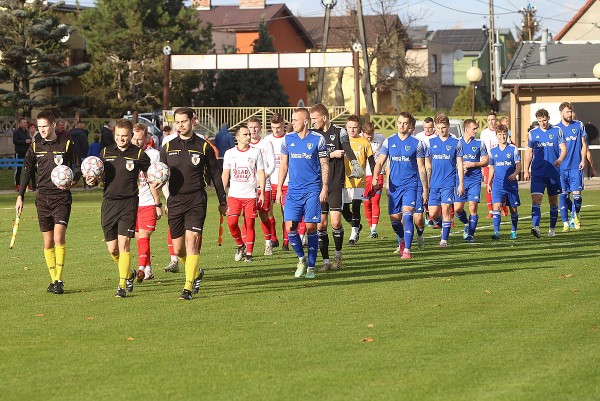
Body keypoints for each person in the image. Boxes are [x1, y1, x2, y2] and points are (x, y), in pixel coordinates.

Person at [160, 107, 227, 300]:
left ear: (192, 122)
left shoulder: (203, 146)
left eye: (184, 121)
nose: (180, 125)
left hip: (196, 199)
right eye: (177, 122)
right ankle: (196, 272)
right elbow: (161, 174)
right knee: (179, 249)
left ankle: (188, 288)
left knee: (192, 241)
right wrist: (163, 197)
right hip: (175, 201)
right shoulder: (167, 147)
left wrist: (223, 201)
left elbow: (215, 175)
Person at [15, 111, 81, 294]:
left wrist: (73, 180)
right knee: (48, 242)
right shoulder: (36, 146)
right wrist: (20, 196)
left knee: (59, 238)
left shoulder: (66, 143)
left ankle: (59, 280)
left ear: (53, 125)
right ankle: (53, 280)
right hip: (42, 198)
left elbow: (77, 167)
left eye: (45, 126)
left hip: (61, 197)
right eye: (39, 127)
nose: (42, 130)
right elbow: (27, 170)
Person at [87, 119, 151, 298]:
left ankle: (122, 285)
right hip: (109, 203)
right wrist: (92, 180)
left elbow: (152, 174)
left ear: (131, 135)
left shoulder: (139, 154)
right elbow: (98, 176)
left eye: (124, 136)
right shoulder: (105, 152)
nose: (121, 139)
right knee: (113, 249)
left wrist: (157, 183)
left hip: (128, 203)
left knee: (124, 245)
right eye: (118, 136)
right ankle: (128, 273)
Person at [276, 108, 328, 279]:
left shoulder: (318, 139)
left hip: (313, 190)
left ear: (305, 121)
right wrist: (279, 189)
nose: (292, 123)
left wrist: (325, 187)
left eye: (295, 120)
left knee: (311, 227)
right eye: (291, 120)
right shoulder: (287, 139)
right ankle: (301, 259)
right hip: (293, 190)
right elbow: (283, 165)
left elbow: (324, 164)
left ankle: (311, 267)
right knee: (290, 227)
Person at [310, 103, 362, 271]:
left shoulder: (340, 132)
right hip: (318, 184)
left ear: (324, 117)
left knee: (336, 221)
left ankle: (338, 255)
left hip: (335, 183)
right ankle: (326, 261)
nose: (312, 122)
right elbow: (311, 156)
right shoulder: (312, 134)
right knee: (321, 224)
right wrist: (331, 154)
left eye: (314, 118)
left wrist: (355, 164)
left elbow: (347, 149)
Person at [372, 112, 428, 259]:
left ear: (409, 125)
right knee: (395, 218)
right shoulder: (389, 141)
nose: (402, 125)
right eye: (400, 122)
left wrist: (425, 189)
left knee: (408, 215)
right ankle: (402, 239)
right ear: (397, 123)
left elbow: (421, 168)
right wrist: (375, 176)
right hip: (394, 186)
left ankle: (407, 250)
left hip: (411, 185)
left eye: (405, 123)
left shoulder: (417, 143)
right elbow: (380, 162)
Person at [222, 126, 266, 262]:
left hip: (250, 195)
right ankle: (240, 245)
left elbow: (261, 173)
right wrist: (221, 194)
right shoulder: (229, 153)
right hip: (234, 195)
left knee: (250, 224)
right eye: (245, 134)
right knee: (232, 223)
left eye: (249, 134)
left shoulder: (256, 152)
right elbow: (225, 174)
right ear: (237, 137)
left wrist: (262, 192)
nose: (248, 137)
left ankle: (249, 254)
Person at [523, 108, 567, 238]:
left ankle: (552, 229)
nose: (543, 123)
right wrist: (526, 170)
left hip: (553, 172)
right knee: (536, 200)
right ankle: (536, 227)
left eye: (545, 120)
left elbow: (564, 149)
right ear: (537, 120)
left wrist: (560, 159)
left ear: (548, 118)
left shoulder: (557, 131)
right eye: (540, 120)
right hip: (538, 172)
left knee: (553, 201)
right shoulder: (532, 133)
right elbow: (529, 152)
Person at [131, 123, 164, 282]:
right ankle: (148, 269)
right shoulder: (128, 154)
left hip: (149, 202)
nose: (137, 142)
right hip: (132, 204)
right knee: (139, 238)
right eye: (134, 139)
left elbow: (160, 179)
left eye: (140, 139)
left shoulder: (154, 155)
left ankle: (141, 269)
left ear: (146, 138)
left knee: (144, 235)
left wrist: (159, 203)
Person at [426, 114, 464, 247]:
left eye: (443, 127)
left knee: (446, 208)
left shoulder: (456, 143)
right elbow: (427, 164)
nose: (441, 130)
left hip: (449, 182)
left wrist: (461, 183)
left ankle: (444, 240)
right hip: (434, 183)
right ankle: (444, 225)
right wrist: (427, 182)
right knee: (433, 213)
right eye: (438, 128)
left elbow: (460, 164)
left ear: (448, 126)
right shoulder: (430, 143)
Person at [341, 115, 375, 246]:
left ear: (359, 127)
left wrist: (375, 177)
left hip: (359, 181)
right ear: (346, 127)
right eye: (349, 127)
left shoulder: (364, 143)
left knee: (356, 206)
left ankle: (353, 235)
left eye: (354, 127)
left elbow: (372, 161)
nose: (352, 130)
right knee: (344, 209)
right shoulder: (342, 142)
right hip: (344, 180)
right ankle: (357, 225)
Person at [454, 119, 488, 243]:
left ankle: (471, 235)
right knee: (458, 209)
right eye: (474, 128)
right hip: (460, 179)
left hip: (474, 179)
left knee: (472, 207)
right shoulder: (457, 143)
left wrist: (473, 164)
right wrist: (460, 168)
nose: (476, 130)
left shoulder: (480, 143)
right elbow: (451, 161)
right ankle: (466, 223)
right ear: (466, 129)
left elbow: (486, 161)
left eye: (476, 128)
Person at [555, 102, 588, 231]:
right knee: (563, 195)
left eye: (571, 111)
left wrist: (583, 160)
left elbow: (584, 144)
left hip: (576, 166)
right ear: (561, 113)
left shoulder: (579, 125)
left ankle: (576, 215)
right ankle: (566, 224)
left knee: (577, 197)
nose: (570, 114)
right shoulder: (556, 129)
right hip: (562, 168)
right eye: (567, 112)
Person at [247, 117, 276, 255]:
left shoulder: (266, 143)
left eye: (255, 127)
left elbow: (272, 164)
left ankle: (268, 242)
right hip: (248, 188)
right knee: (247, 217)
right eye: (250, 127)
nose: (253, 130)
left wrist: (264, 177)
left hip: (265, 186)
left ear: (260, 128)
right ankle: (245, 246)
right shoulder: (244, 144)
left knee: (264, 215)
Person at [487, 124, 521, 239]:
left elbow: (519, 165)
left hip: (511, 185)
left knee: (513, 209)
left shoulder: (513, 149)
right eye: (500, 134)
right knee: (496, 207)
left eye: (504, 134)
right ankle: (496, 232)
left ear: (507, 135)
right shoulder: (493, 151)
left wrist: (515, 174)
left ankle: (513, 231)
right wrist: (489, 183)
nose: (502, 136)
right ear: (496, 135)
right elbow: (491, 168)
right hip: (498, 185)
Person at [264, 113, 288, 249]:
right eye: (273, 127)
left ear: (283, 124)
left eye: (278, 127)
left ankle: (286, 242)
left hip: (286, 182)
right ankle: (273, 238)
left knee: (287, 213)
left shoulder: (289, 138)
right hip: (270, 182)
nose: (276, 130)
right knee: (268, 212)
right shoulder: (267, 140)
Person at [479, 111, 507, 217]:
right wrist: (482, 164)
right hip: (488, 164)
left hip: (500, 163)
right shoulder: (484, 133)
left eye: (493, 119)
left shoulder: (500, 131)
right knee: (488, 185)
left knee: (502, 185)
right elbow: (482, 149)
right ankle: (490, 211)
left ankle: (504, 206)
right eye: (489, 120)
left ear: (496, 120)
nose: (491, 122)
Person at [360, 121, 385, 238]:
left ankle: (374, 229)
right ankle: (371, 228)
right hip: (364, 176)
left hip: (378, 174)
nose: (370, 137)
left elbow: (387, 153)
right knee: (366, 203)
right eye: (367, 134)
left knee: (375, 201)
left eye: (371, 134)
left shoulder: (381, 138)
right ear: (362, 132)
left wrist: (386, 167)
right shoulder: (358, 140)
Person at [12, 117, 31, 192]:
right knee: (18, 170)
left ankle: (27, 185)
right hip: (19, 153)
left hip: (27, 153)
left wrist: (29, 141)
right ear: (20, 124)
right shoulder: (16, 132)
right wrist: (24, 141)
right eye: (24, 122)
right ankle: (18, 185)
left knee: (27, 169)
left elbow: (29, 139)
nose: (25, 124)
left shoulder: (27, 131)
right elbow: (15, 141)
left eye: (26, 122)